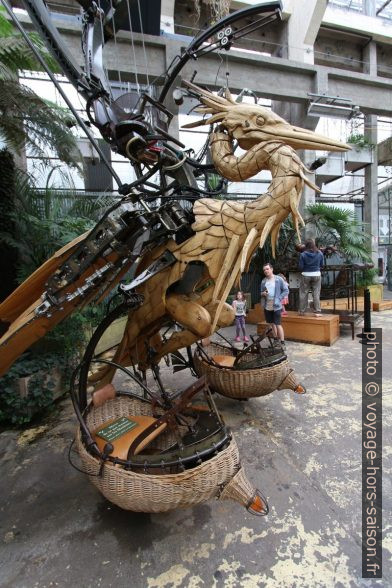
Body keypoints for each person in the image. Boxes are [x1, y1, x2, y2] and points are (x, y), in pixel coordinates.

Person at [260, 263, 289, 346]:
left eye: (267, 269)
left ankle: (282, 342)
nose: (266, 271)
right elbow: (261, 292)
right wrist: (263, 293)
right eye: (264, 270)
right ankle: (275, 340)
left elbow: (286, 290)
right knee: (271, 324)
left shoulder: (278, 279)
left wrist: (279, 298)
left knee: (278, 324)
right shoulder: (263, 281)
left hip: (276, 305)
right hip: (267, 304)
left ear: (271, 269)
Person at [298, 239, 324, 317]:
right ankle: (318, 311)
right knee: (316, 293)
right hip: (316, 274)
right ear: (314, 245)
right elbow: (322, 265)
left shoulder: (303, 254)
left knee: (303, 293)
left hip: (305, 275)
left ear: (306, 246)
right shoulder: (320, 253)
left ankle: (302, 311)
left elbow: (300, 267)